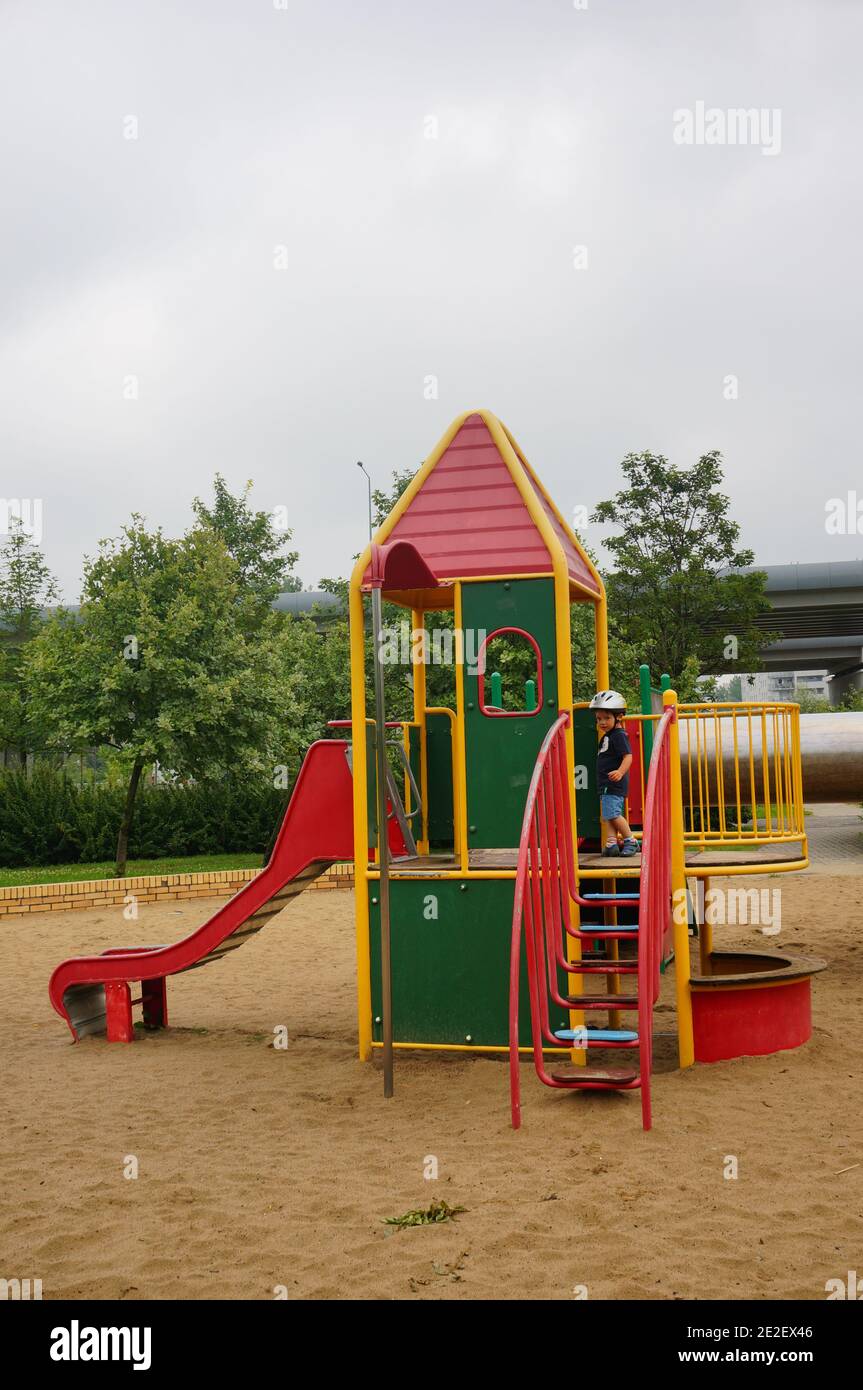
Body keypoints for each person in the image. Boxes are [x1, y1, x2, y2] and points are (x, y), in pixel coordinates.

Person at [588, 690, 639, 857]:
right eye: (599, 719)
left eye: (607, 718)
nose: (602, 722)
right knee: (608, 815)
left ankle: (630, 840)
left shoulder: (618, 735)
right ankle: (611, 843)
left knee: (613, 814)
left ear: (619, 717)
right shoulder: (608, 736)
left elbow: (628, 757)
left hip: (614, 782)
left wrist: (620, 772)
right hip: (606, 784)